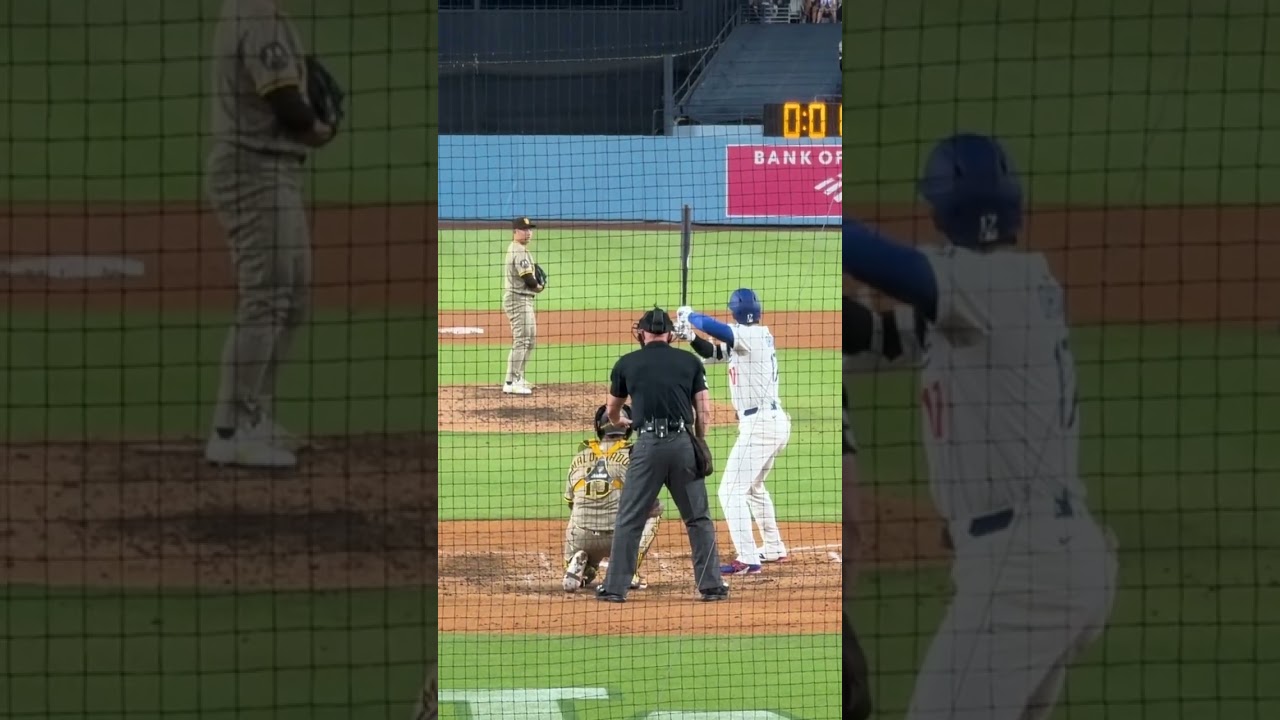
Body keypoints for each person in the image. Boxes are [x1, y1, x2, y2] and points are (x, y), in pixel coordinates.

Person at [842, 132, 1118, 720]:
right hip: (1052, 561)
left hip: (1023, 572)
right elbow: (881, 338)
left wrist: (816, 215)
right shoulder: (1006, 291)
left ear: (941, 209)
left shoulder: (985, 284)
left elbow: (889, 266)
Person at [204, 0, 336, 468]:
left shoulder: (266, 16)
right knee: (266, 298)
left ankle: (253, 416)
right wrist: (319, 128)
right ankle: (230, 430)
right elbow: (286, 105)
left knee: (293, 298)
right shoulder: (256, 17)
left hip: (274, 170)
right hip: (253, 170)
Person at [596, 307, 728, 603]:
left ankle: (615, 589)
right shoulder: (690, 361)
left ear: (642, 333)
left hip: (647, 448)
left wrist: (619, 421)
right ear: (669, 334)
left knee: (630, 518)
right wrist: (699, 442)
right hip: (683, 445)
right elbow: (704, 412)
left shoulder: (626, 363)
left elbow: (612, 410)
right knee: (698, 518)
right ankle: (711, 586)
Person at [672, 289, 790, 575]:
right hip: (770, 422)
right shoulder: (752, 337)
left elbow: (716, 328)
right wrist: (691, 337)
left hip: (761, 425)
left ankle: (748, 558)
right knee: (752, 488)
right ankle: (773, 546)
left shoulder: (749, 335)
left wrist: (691, 315)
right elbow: (712, 352)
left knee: (730, 491)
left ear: (734, 311)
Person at [561, 404, 662, 593]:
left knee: (576, 509)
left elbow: (570, 502)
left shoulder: (580, 456)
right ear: (628, 427)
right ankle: (627, 570)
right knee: (655, 511)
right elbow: (649, 503)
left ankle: (582, 564)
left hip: (580, 536)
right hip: (617, 537)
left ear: (598, 427)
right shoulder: (634, 456)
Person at [502, 217, 544, 395]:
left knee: (530, 340)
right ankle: (510, 382)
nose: (528, 233)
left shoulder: (520, 249)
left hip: (524, 299)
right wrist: (540, 287)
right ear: (515, 231)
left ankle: (518, 377)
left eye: (529, 229)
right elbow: (529, 280)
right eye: (524, 229)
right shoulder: (518, 250)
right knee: (522, 340)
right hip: (517, 299)